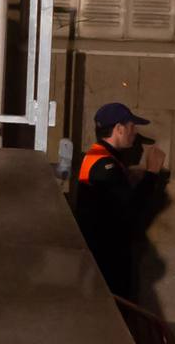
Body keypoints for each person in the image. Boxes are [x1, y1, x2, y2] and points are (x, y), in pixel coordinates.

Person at [71, 100, 169, 302]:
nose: (135, 133)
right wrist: (151, 174)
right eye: (132, 127)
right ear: (119, 129)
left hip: (98, 254)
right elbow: (130, 210)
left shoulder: (98, 156)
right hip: (107, 257)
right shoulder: (105, 165)